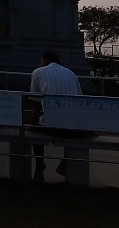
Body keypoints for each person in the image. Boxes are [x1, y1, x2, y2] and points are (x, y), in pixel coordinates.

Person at [29, 51, 82, 181]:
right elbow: (80, 101)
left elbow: (35, 105)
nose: (39, 64)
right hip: (73, 128)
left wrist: (31, 126)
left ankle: (39, 164)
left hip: (51, 127)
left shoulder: (38, 72)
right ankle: (64, 161)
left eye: (40, 61)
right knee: (69, 123)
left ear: (46, 60)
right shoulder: (71, 74)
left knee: (35, 133)